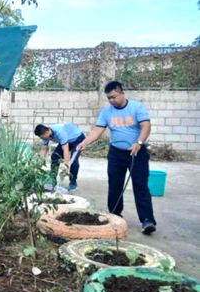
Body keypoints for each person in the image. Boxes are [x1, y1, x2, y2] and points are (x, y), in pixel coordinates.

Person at [77, 80, 156, 235]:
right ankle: (114, 215)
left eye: (114, 97)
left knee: (140, 185)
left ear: (122, 93)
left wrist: (139, 142)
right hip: (116, 153)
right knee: (114, 185)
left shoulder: (136, 107)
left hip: (137, 153)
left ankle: (147, 220)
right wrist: (84, 143)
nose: (112, 100)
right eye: (109, 98)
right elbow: (97, 130)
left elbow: (146, 126)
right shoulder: (107, 112)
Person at [34, 123, 85, 191]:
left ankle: (73, 183)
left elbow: (65, 150)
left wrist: (66, 165)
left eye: (42, 137)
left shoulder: (60, 132)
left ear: (46, 132)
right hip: (67, 140)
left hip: (78, 139)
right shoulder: (45, 135)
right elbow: (44, 149)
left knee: (73, 161)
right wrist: (38, 163)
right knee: (55, 156)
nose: (42, 139)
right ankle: (52, 181)